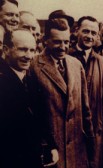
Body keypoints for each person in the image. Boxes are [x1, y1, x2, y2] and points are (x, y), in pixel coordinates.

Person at [29, 19, 95, 168]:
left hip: (77, 153)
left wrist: (90, 150)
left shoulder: (76, 65)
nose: (63, 47)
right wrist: (46, 146)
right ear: (45, 40)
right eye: (57, 42)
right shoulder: (34, 66)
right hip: (52, 154)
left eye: (66, 42)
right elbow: (33, 114)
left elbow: (85, 111)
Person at [69, 15, 103, 168]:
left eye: (94, 33)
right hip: (71, 129)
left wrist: (102, 116)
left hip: (94, 129)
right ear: (76, 31)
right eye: (86, 31)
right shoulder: (65, 57)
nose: (89, 36)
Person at [0, 29, 42, 168]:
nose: (29, 56)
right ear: (6, 49)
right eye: (23, 50)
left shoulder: (30, 79)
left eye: (32, 50)